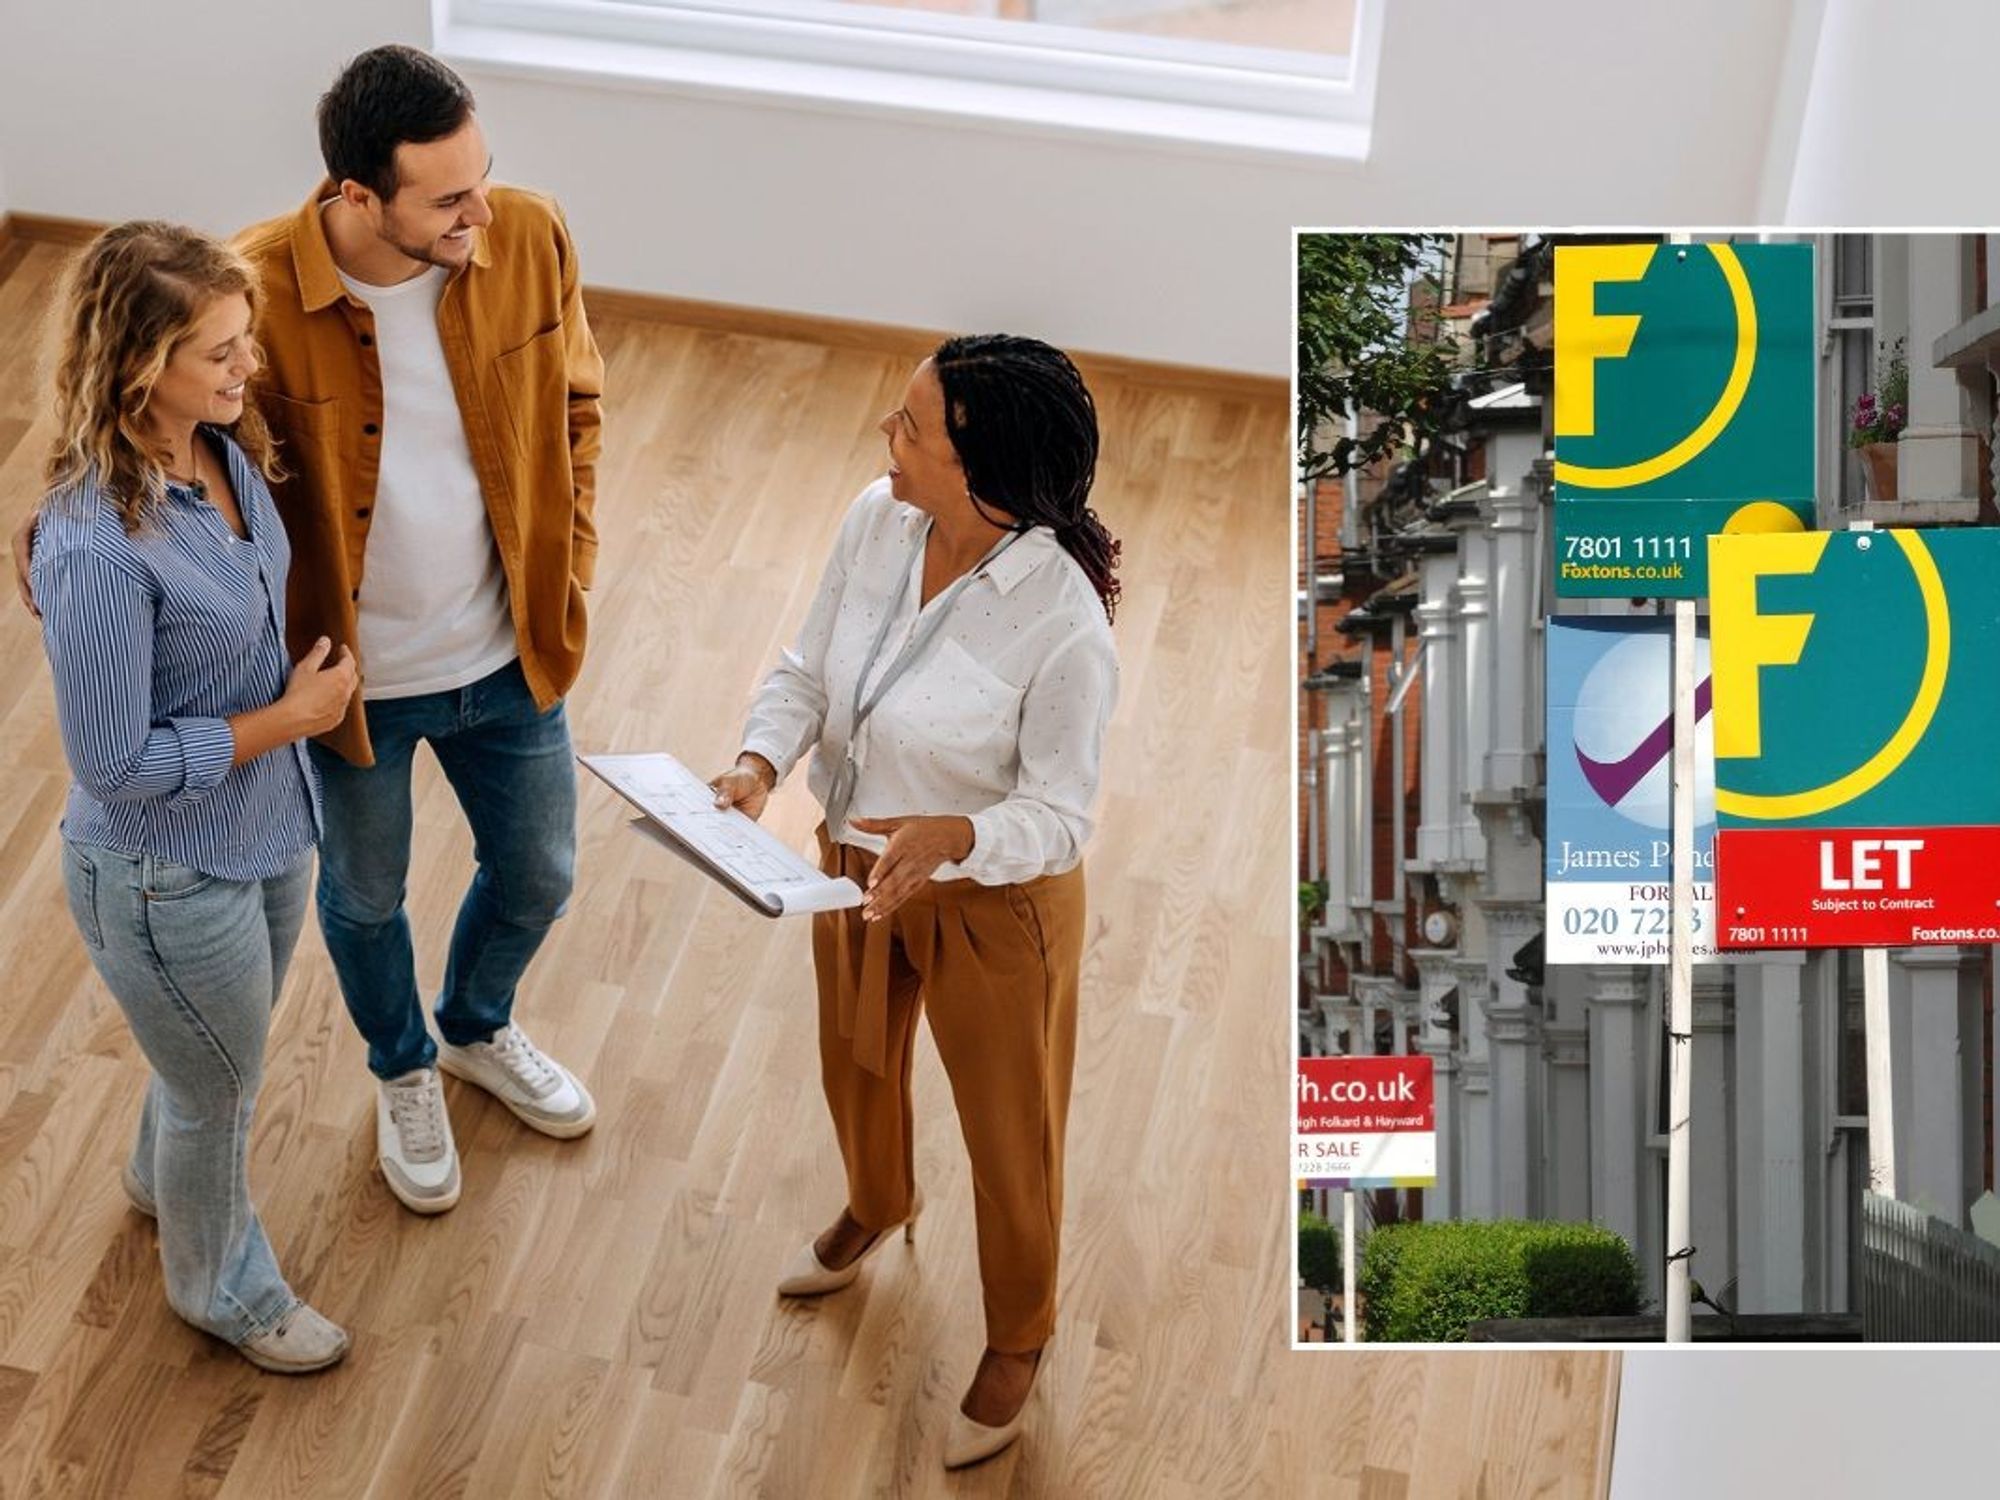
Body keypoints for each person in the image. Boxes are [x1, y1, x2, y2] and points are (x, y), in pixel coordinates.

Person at [16, 46, 608, 1214]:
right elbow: (144, 416)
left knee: (539, 874)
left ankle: (475, 1027)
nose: (480, 215)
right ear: (356, 195)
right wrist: (54, 516)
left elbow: (578, 404)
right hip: (346, 680)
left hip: (511, 651)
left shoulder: (530, 236)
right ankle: (401, 1067)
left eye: (482, 179)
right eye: (447, 199)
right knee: (366, 897)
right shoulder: (255, 295)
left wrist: (571, 556)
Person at [711, 334, 1120, 1470]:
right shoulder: (876, 518)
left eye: (910, 426)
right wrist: (758, 760)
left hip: (994, 902)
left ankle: (1019, 1335)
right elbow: (807, 667)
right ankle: (878, 1200)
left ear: (980, 466)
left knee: (1009, 1131)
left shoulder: (1063, 623)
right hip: (855, 861)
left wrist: (960, 837)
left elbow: (1062, 815)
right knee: (855, 1061)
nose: (885, 437)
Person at [34, 221, 359, 1372]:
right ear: (138, 368)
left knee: (211, 1060)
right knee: (223, 1086)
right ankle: (225, 1290)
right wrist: (291, 720)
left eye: (243, 339)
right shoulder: (94, 548)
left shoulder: (219, 447)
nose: (247, 366)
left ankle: (154, 1172)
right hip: (163, 875)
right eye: (219, 352)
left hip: (265, 824)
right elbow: (112, 763)